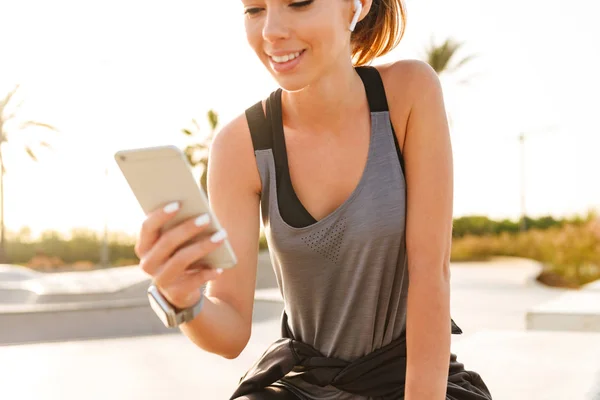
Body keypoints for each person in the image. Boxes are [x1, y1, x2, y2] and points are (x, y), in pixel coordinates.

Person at [135, 0, 493, 399]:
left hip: (413, 377)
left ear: (355, 6)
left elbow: (431, 274)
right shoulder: (239, 147)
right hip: (304, 386)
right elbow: (231, 333)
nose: (271, 30)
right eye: (254, 10)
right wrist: (182, 300)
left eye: (298, 3)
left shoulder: (409, 93)